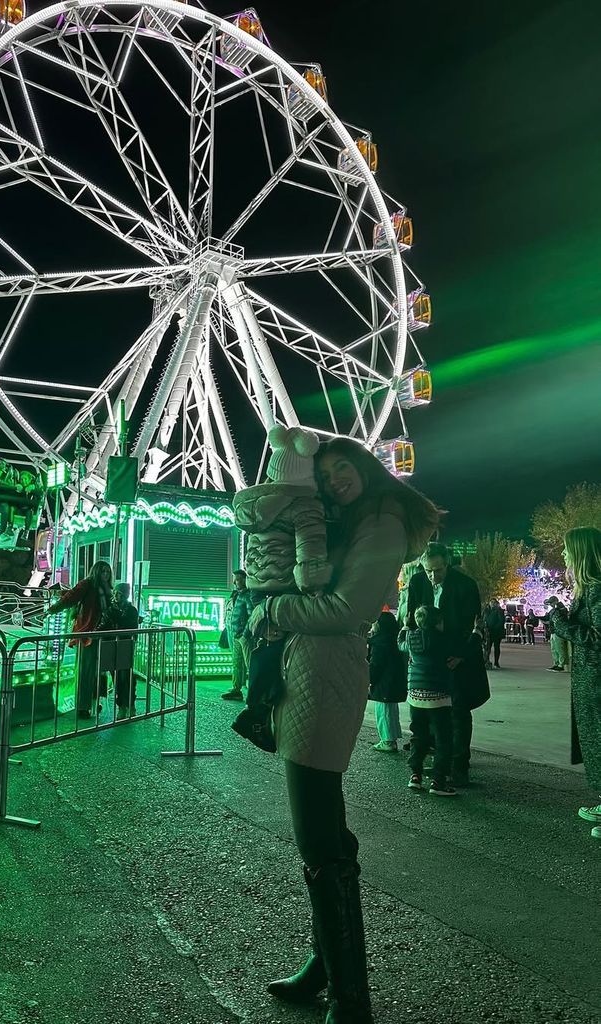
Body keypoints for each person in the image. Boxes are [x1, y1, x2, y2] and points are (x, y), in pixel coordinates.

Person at [253, 438, 440, 1023]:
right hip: (310, 677)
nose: (335, 480)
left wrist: (271, 612)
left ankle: (349, 997)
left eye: (343, 468)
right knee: (324, 834)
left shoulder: (382, 523)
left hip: (326, 682)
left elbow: (346, 611)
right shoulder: (360, 518)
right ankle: (326, 967)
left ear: (366, 466)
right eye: (325, 472)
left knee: (320, 839)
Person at [231, 424, 333, 750]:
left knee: (265, 644)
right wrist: (315, 584)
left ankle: (258, 707)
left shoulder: (256, 508)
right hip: (287, 584)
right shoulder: (304, 506)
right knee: (283, 651)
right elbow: (310, 550)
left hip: (258, 585)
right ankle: (259, 713)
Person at [407, 542, 487, 787]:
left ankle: (459, 765)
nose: (433, 576)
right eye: (429, 570)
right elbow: (411, 619)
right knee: (432, 717)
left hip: (457, 661)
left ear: (447, 564)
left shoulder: (465, 585)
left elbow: (472, 623)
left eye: (438, 570)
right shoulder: (418, 581)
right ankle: (440, 761)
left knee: (459, 713)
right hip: (429, 664)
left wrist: (460, 655)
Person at [549, 528, 601, 841]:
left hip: (597, 682)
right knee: (594, 741)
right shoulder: (586, 590)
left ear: (582, 553)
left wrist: (560, 621)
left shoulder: (597, 591)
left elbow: (596, 637)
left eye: (568, 551)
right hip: (589, 681)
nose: (565, 557)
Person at [399, 604, 457, 796]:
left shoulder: (411, 637)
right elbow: (461, 647)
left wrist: (406, 627)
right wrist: (477, 633)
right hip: (438, 695)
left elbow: (400, 644)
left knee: (418, 734)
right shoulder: (444, 639)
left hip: (415, 695)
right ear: (438, 621)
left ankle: (415, 775)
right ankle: (438, 781)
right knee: (443, 738)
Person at [49, 561, 113, 720]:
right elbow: (70, 597)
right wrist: (54, 608)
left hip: (102, 634)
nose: (105, 574)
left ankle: (93, 702)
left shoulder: (107, 589)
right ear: (96, 572)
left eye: (107, 572)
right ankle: (83, 706)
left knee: (100, 672)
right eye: (103, 571)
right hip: (88, 633)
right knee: (86, 671)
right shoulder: (87, 584)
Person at [367, 610, 407, 752]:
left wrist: (369, 680)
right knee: (391, 711)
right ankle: (392, 739)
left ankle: (387, 741)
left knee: (383, 712)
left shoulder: (380, 643)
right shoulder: (394, 640)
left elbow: (375, 665)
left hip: (384, 684)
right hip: (394, 682)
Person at [108, 582, 141, 719]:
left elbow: (129, 626)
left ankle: (130, 704)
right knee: (116, 677)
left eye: (119, 593)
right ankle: (121, 706)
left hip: (125, 645)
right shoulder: (110, 608)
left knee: (126, 676)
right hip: (112, 646)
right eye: (115, 593)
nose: (116, 596)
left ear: (125, 595)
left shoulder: (131, 610)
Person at [221, 570, 252, 701]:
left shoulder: (247, 595)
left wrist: (245, 634)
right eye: (234, 579)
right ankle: (237, 688)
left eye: (238, 579)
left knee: (248, 663)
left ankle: (249, 690)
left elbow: (252, 616)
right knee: (237, 662)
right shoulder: (235, 595)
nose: (235, 582)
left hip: (242, 635)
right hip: (234, 633)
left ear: (245, 579)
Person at [544, 596, 568, 671]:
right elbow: (547, 618)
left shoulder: (561, 608)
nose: (550, 604)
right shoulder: (553, 610)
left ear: (555, 601)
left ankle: (561, 665)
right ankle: (556, 663)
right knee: (554, 648)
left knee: (560, 648)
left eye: (551, 603)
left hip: (558, 631)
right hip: (553, 631)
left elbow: (563, 615)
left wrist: (558, 606)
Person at [484, 599, 506, 669]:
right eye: (491, 602)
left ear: (496, 603)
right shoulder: (486, 611)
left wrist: (495, 628)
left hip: (496, 633)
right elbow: (484, 619)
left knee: (497, 647)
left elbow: (501, 621)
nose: (492, 604)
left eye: (494, 602)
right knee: (487, 647)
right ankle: (486, 661)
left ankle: (496, 662)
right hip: (488, 632)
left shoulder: (499, 610)